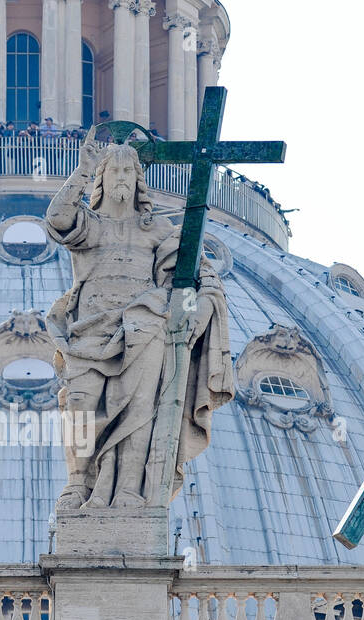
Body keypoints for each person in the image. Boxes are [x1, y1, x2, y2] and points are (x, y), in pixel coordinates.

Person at [44, 135, 234, 509]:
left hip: (144, 329)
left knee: (139, 410)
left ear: (138, 179)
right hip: (88, 331)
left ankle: (129, 487)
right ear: (100, 177)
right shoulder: (89, 225)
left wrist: (194, 310)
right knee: (80, 404)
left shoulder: (158, 229)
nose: (120, 176)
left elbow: (195, 280)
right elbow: (58, 219)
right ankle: (79, 483)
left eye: (127, 170)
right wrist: (81, 172)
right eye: (112, 169)